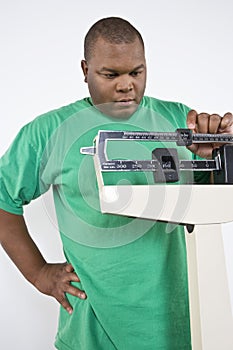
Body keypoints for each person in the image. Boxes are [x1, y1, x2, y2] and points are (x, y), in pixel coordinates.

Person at [0, 17, 232, 350]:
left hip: (178, 324)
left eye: (136, 73)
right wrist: (39, 273)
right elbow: (3, 198)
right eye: (110, 75)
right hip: (93, 329)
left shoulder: (181, 121)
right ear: (85, 69)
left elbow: (210, 200)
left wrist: (219, 154)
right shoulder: (49, 131)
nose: (126, 86)